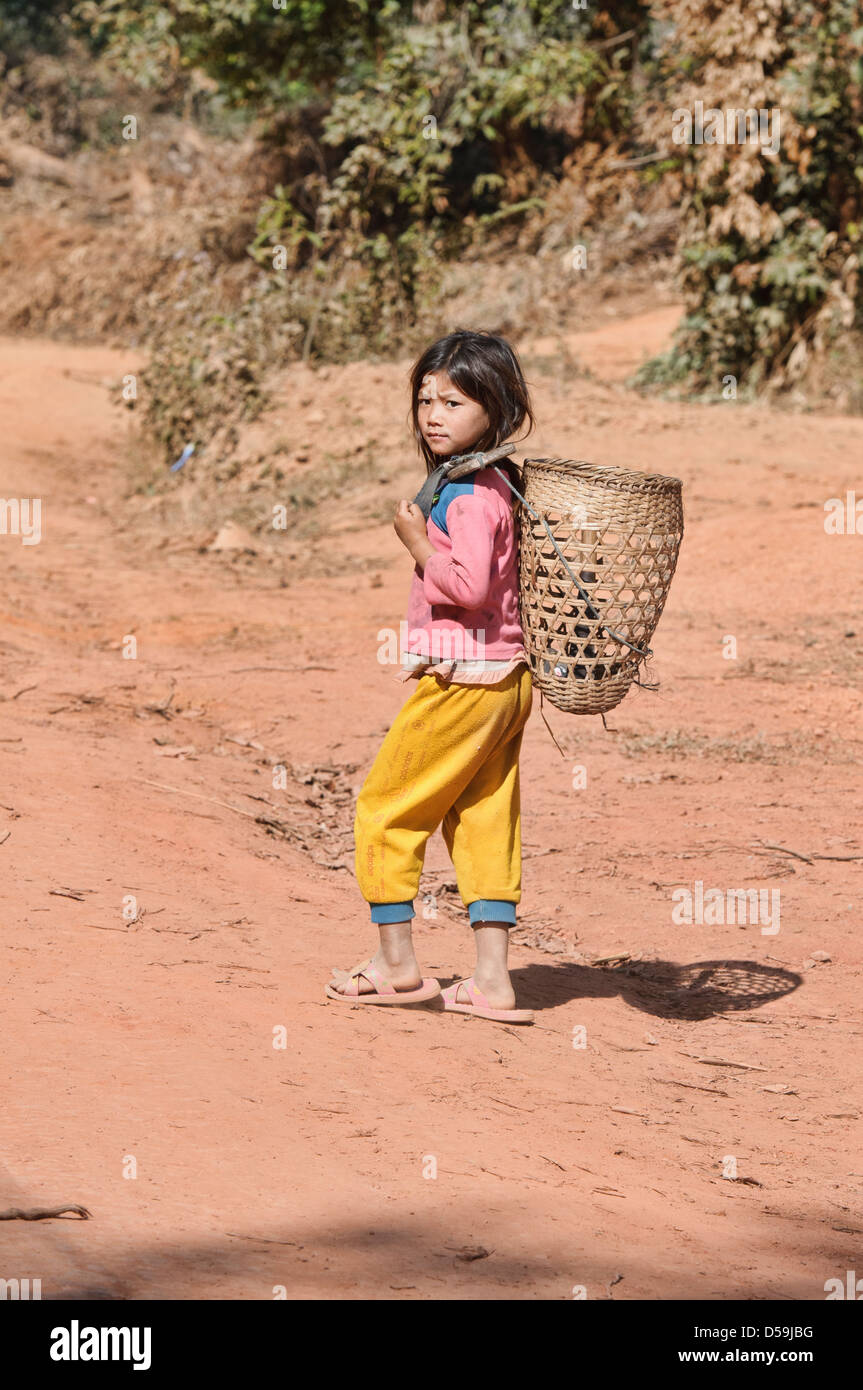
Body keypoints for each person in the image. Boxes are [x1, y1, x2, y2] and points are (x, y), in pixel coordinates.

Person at [327, 329, 536, 1025]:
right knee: (482, 820)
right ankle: (490, 982)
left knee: (385, 809)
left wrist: (417, 543)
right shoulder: (497, 480)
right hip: (507, 678)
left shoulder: (472, 495)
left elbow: (469, 586)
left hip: (463, 683)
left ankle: (395, 965)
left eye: (453, 401)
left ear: (496, 408)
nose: (433, 414)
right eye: (424, 399)